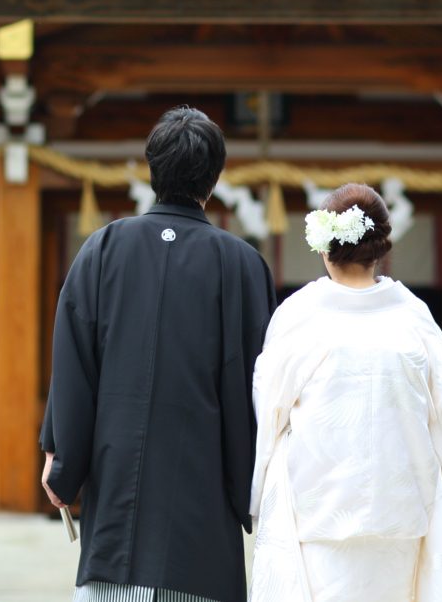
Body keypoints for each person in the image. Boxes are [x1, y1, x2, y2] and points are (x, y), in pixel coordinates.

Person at [40, 106, 277, 602]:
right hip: (202, 517)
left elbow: (74, 367)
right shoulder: (242, 265)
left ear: (152, 171)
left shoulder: (102, 249)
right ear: (212, 181)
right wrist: (253, 490)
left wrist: (63, 461)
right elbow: (258, 387)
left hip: (114, 518)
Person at [249, 183, 442, 602]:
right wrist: (433, 486)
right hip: (400, 513)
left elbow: (269, 407)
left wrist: (258, 493)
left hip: (318, 510)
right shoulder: (415, 317)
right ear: (380, 247)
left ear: (325, 247)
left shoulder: (300, 314)